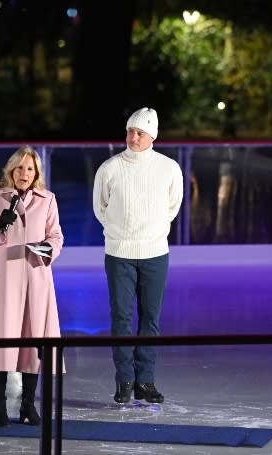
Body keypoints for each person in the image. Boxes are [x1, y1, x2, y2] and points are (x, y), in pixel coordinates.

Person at [92, 107, 183, 404]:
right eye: (130, 131)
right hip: (119, 253)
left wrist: (151, 232)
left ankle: (145, 380)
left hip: (155, 252)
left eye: (139, 133)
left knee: (150, 319)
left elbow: (173, 206)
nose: (133, 137)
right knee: (121, 317)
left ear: (152, 136)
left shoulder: (169, 168)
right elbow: (100, 208)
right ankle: (125, 380)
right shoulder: (110, 168)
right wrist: (121, 232)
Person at [0, 145, 64, 426]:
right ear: (12, 169)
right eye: (20, 167)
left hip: (35, 277)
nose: (25, 173)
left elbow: (56, 236)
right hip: (4, 278)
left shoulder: (47, 200)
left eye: (30, 168)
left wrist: (45, 249)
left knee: (33, 341)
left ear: (37, 173)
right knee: (2, 341)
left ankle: (28, 405)